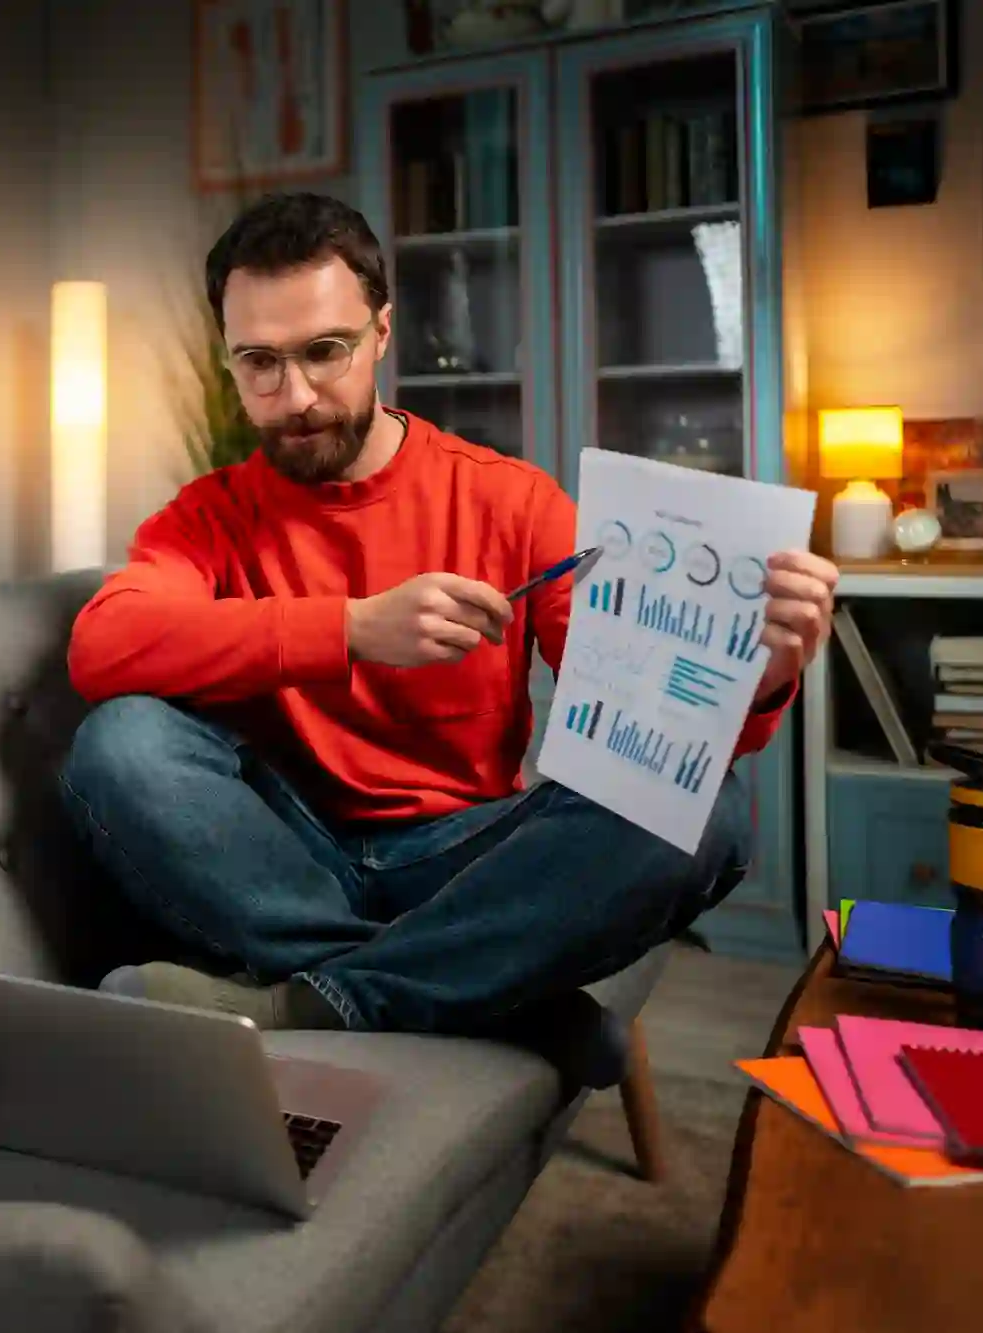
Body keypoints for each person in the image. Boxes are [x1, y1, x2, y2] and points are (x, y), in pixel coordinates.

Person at [58, 193, 837, 1086]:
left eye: (324, 351)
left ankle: (323, 999)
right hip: (278, 859)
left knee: (701, 807)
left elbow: (653, 732)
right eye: (259, 363)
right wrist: (354, 628)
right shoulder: (207, 517)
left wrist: (766, 673)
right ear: (229, 360)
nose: (296, 395)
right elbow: (103, 647)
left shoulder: (510, 499)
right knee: (120, 743)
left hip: (466, 860)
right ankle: (495, 996)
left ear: (382, 333)